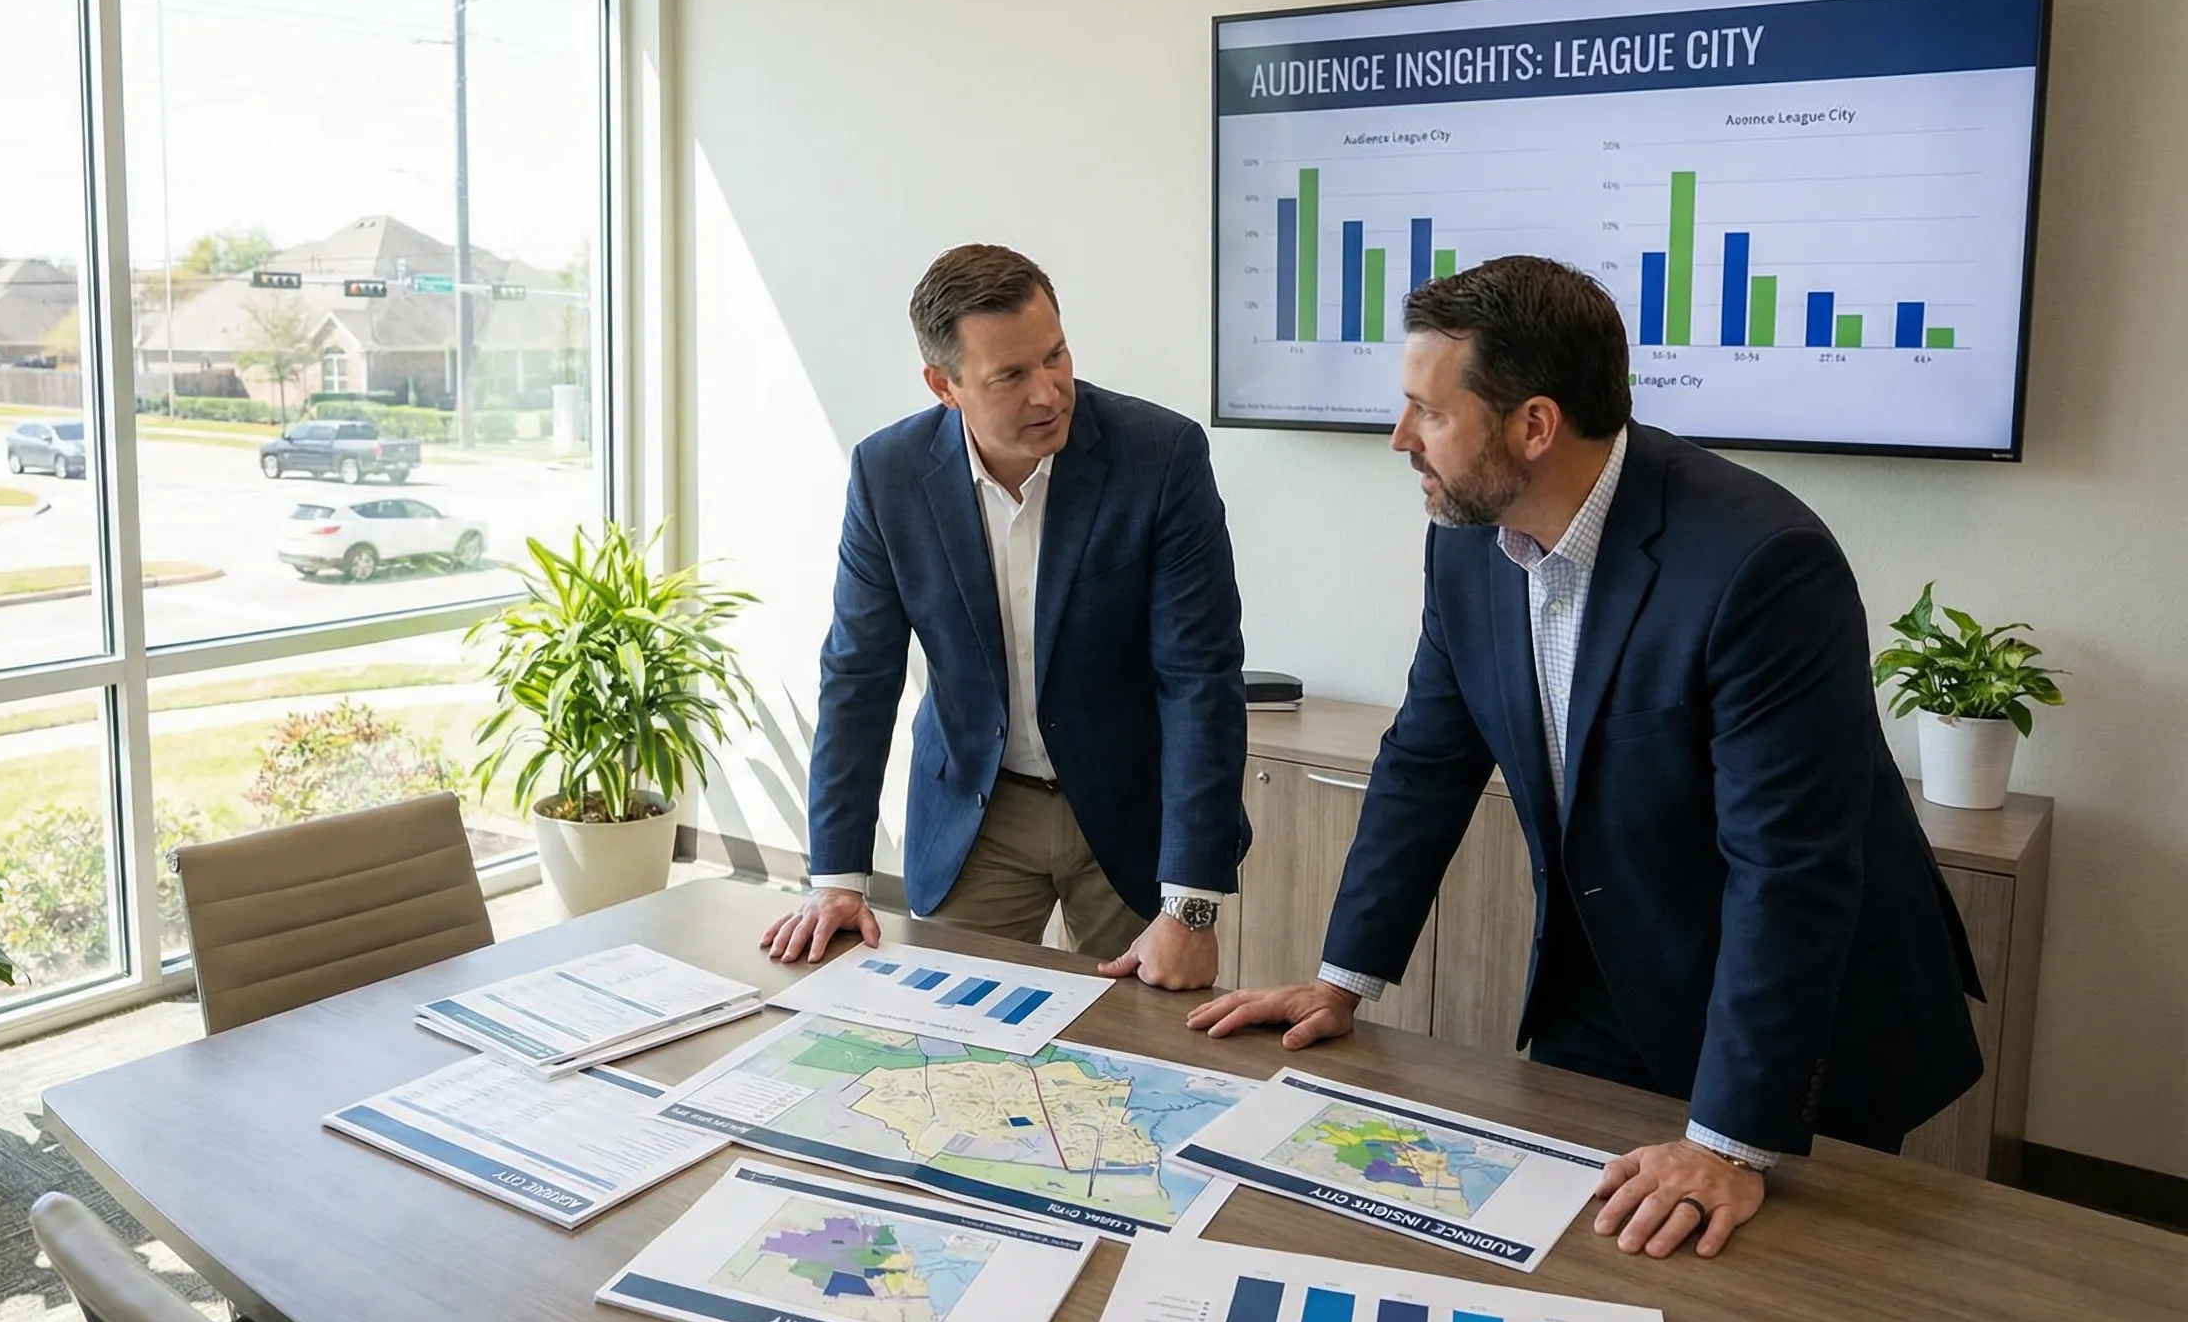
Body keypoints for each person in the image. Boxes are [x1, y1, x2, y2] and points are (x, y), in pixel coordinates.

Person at [1187, 255, 1983, 1260]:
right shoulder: (1467, 539)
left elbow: (1788, 867)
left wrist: (1728, 1141)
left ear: (1534, 425)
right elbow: (1426, 762)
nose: (1400, 438)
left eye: (1428, 412)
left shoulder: (1760, 563)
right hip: (1604, 974)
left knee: (1771, 1299)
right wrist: (1340, 980)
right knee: (1579, 1260)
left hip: (1796, 1014)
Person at [760, 244, 1248, 989]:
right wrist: (837, 878)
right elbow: (859, 676)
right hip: (977, 811)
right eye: (1011, 376)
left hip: (1132, 813)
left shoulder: (1160, 456)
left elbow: (1200, 678)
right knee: (945, 1031)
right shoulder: (888, 475)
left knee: (1139, 1041)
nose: (1049, 393)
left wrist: (1190, 903)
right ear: (944, 385)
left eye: (1056, 357)